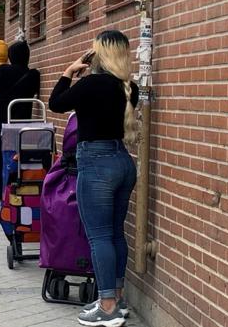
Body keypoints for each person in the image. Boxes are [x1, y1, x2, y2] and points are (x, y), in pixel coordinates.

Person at [48, 30, 138, 327]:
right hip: (123, 162)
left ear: (99, 53)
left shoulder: (90, 85)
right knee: (114, 234)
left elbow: (57, 103)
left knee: (99, 236)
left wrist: (68, 71)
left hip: (96, 163)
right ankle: (117, 299)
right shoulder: (129, 88)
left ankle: (108, 307)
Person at [0, 41, 40, 206]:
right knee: (16, 155)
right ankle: (16, 189)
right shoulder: (33, 74)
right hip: (20, 120)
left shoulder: (2, 70)